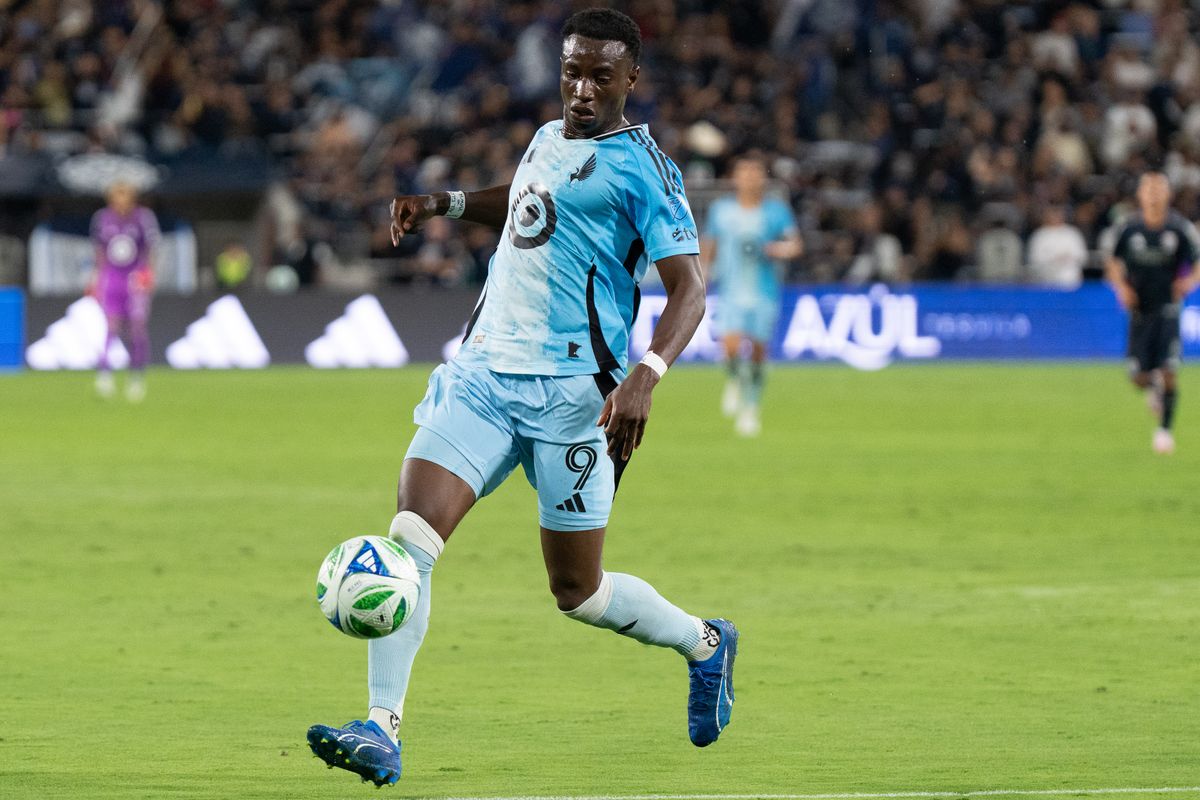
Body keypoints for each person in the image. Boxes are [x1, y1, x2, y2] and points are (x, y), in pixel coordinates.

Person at [307, 9, 738, 787]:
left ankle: (705, 644)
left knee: (578, 592)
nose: (582, 89)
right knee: (408, 543)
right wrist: (443, 204)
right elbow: (527, 201)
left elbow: (690, 289)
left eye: (600, 76)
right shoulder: (546, 137)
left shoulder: (648, 171)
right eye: (572, 72)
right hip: (483, 378)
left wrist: (647, 375)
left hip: (574, 401)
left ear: (631, 79)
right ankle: (380, 729)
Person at [701, 155, 801, 437]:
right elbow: (709, 245)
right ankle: (735, 379)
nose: (749, 178)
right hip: (730, 290)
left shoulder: (776, 211)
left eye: (755, 173)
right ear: (735, 177)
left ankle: (751, 407)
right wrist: (702, 277)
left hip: (764, 292)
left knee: (757, 352)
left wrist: (777, 250)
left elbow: (795, 245)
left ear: (762, 178)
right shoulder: (721, 210)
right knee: (730, 347)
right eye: (744, 172)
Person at [1105, 172, 1200, 454]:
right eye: (1149, 189)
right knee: (1138, 378)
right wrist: (1121, 288)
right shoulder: (1129, 228)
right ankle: (1153, 388)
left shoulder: (1179, 228)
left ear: (1168, 195)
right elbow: (1112, 262)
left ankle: (1164, 432)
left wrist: (1188, 282)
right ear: (1140, 195)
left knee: (1169, 370)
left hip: (1168, 308)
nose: (1154, 194)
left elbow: (1198, 262)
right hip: (1139, 311)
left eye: (1159, 189)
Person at [88, 181, 160, 401]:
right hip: (112, 278)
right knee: (111, 326)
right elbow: (99, 250)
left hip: (134, 278)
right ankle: (104, 373)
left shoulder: (143, 217)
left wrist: (149, 274)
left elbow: (150, 248)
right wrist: (96, 278)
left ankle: (136, 376)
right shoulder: (102, 218)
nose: (120, 203)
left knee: (137, 327)